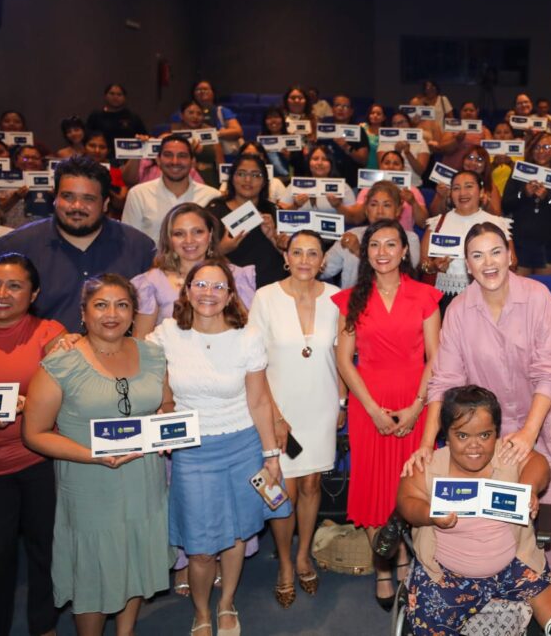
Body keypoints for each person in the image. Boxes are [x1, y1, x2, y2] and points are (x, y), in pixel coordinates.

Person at [407, 222, 551, 598]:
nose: (489, 263)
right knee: (495, 528)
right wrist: (425, 442)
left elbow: (550, 372)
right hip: (486, 440)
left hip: (540, 429)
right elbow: (444, 380)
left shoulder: (538, 297)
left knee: (547, 527)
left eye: (496, 252)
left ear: (510, 254)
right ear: (467, 265)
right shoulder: (460, 310)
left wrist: (529, 435)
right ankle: (505, 609)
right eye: (478, 255)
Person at [147, 259, 290, 635]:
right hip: (192, 451)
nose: (208, 293)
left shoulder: (247, 337)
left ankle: (226, 603)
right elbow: (131, 360)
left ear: (230, 295)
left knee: (237, 534)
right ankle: (201, 612)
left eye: (217, 286)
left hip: (242, 445)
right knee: (200, 546)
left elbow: (259, 402)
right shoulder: (167, 334)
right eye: (200, 284)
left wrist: (271, 455)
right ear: (187, 290)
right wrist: (164, 406)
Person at [22, 274, 171, 636]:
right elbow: (34, 433)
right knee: (93, 569)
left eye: (122, 305)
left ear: (134, 313)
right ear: (83, 313)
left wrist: (166, 421)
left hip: (143, 477)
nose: (112, 314)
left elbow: (165, 403)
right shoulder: (61, 363)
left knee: (136, 553)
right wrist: (93, 456)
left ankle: (125, 632)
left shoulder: (152, 354)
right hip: (89, 483)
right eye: (101, 305)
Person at [397, 385, 551, 636]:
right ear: (446, 435)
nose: (475, 446)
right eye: (462, 436)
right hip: (446, 575)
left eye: (485, 435)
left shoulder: (506, 453)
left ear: (496, 433)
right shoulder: (429, 464)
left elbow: (539, 463)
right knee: (429, 616)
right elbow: (406, 501)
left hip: (510, 564)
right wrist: (429, 513)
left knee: (538, 581)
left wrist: (529, 488)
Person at [331, 219, 441, 609]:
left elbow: (435, 358)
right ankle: (383, 569)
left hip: (415, 399)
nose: (381, 252)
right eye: (374, 245)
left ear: (404, 250)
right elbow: (344, 361)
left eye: (390, 244)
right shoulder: (351, 299)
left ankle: (410, 565)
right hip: (368, 404)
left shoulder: (426, 296)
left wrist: (415, 407)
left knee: (409, 487)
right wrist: (373, 409)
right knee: (373, 489)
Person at [0, 254, 64, 636]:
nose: (1, 294)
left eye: (14, 286)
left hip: (37, 464)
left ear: (34, 293)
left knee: (45, 551)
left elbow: (66, 392)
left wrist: (26, 405)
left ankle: (44, 626)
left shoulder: (51, 333)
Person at [249, 230, 345, 607]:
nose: (305, 259)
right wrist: (274, 416)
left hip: (321, 405)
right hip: (279, 409)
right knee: (283, 493)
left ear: (323, 260)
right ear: (285, 257)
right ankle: (285, 562)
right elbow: (255, 364)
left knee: (311, 486)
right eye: (297, 252)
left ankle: (304, 553)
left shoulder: (337, 299)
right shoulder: (266, 297)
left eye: (313, 253)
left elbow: (341, 356)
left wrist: (340, 402)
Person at [0, 156, 156, 332]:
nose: (77, 206)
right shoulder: (14, 246)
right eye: (67, 196)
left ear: (105, 204)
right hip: (36, 356)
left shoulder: (139, 247)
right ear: (54, 198)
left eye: (88, 199)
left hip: (120, 357)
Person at [132, 202, 255, 337]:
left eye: (198, 232)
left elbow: (249, 331)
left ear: (210, 234)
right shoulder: (153, 281)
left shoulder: (236, 276)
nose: (189, 240)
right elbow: (142, 344)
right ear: (169, 239)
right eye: (179, 234)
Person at [420, 170, 513, 309]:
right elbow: (424, 263)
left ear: (481, 192)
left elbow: (513, 261)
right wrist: (434, 266)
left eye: (469, 186)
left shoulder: (496, 223)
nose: (462, 193)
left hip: (489, 293)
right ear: (451, 194)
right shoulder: (437, 223)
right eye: (456, 188)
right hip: (447, 296)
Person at [321, 180, 421, 288]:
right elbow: (324, 270)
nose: (380, 211)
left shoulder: (410, 238)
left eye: (387, 205)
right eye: (373, 204)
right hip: (352, 302)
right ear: (366, 210)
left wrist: (359, 251)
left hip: (394, 301)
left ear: (398, 210)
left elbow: (403, 271)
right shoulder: (352, 235)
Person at [206, 154, 285, 288]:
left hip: (272, 288)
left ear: (265, 181)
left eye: (255, 175)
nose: (248, 180)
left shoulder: (274, 211)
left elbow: (293, 257)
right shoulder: (214, 211)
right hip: (230, 288)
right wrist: (221, 249)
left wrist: (274, 237)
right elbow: (197, 256)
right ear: (232, 178)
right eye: (241, 174)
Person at [121, 135, 221, 240]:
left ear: (192, 162)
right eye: (168, 155)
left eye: (182, 156)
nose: (175, 162)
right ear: (158, 160)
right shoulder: (138, 194)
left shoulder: (212, 196)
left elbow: (215, 242)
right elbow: (129, 241)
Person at [503, 132, 551, 275]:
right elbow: (505, 206)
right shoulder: (520, 172)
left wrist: (548, 198)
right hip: (521, 242)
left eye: (547, 146)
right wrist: (523, 194)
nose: (541, 151)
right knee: (520, 292)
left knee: (544, 290)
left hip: (549, 244)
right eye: (537, 147)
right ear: (531, 150)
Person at [173, 81, 244, 157]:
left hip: (217, 146)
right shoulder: (181, 112)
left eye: (206, 89)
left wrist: (212, 134)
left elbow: (238, 131)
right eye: (198, 89)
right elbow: (175, 132)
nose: (202, 92)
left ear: (213, 92)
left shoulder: (222, 111)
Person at [86, 83, 147, 158]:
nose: (115, 97)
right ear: (105, 96)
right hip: (101, 158)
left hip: (127, 159)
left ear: (124, 98)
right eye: (112, 94)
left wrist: (143, 138)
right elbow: (87, 138)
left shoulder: (133, 117)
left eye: (119, 94)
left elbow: (145, 137)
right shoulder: (95, 116)